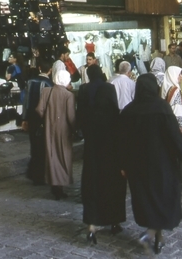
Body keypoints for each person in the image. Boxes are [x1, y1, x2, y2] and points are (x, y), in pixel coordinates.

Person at [119, 73, 182, 254]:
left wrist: (123, 164)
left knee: (146, 198)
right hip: (161, 163)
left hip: (137, 164)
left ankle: (153, 232)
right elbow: (174, 136)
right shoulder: (161, 108)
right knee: (162, 197)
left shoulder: (129, 110)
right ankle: (154, 234)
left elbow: (122, 141)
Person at [77, 64, 126, 244]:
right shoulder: (109, 90)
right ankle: (114, 221)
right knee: (112, 184)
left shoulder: (84, 91)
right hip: (110, 149)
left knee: (92, 184)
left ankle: (91, 226)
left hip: (92, 148)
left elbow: (80, 116)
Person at [35, 69, 76, 200]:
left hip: (49, 128)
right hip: (64, 130)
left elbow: (39, 109)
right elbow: (71, 117)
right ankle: (60, 185)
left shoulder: (46, 91)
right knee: (63, 156)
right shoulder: (69, 95)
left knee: (52, 155)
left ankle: (54, 184)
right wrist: (76, 129)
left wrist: (47, 118)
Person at [22, 61, 53, 184]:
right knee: (42, 147)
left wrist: (24, 119)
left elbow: (26, 102)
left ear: (40, 68)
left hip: (31, 118)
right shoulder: (49, 84)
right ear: (50, 70)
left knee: (34, 145)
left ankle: (33, 173)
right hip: (43, 120)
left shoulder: (30, 82)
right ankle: (39, 175)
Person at [161, 66, 182, 133]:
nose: (181, 76)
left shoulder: (165, 87)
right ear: (173, 75)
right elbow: (177, 108)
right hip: (176, 126)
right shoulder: (175, 90)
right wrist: (181, 126)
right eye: (179, 74)